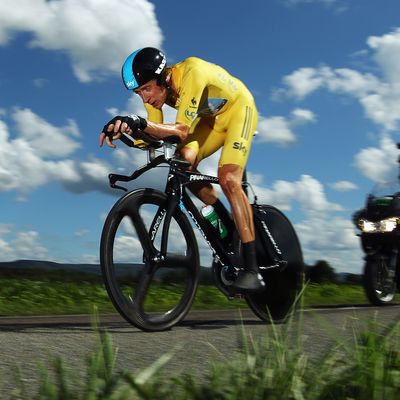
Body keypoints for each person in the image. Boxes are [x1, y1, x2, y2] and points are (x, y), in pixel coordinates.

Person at [99, 47, 265, 291]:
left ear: (162, 78)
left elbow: (181, 131)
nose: (144, 98)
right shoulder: (155, 95)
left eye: (146, 89)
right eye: (138, 93)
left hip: (240, 110)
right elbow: (152, 135)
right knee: (183, 165)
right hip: (211, 121)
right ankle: (227, 226)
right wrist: (124, 127)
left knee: (229, 179)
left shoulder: (192, 73)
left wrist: (138, 122)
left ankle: (253, 270)